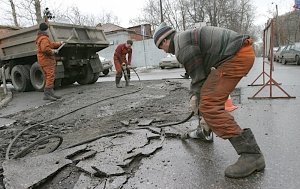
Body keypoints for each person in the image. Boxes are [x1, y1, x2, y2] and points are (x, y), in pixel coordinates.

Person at [153, 22, 265, 178]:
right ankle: (205, 131)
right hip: (238, 53)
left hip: (237, 56)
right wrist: (195, 94)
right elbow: (201, 76)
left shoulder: (181, 48)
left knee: (209, 105)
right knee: (206, 96)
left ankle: (251, 154)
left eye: (161, 47)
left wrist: (194, 97)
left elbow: (198, 79)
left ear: (165, 40)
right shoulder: (183, 40)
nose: (163, 51)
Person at [36, 22, 62, 101]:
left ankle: (51, 93)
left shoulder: (42, 37)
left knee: (50, 76)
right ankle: (47, 94)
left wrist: (59, 43)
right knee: (50, 76)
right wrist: (53, 51)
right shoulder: (44, 38)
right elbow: (45, 49)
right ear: (46, 29)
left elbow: (51, 44)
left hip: (45, 60)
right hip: (46, 60)